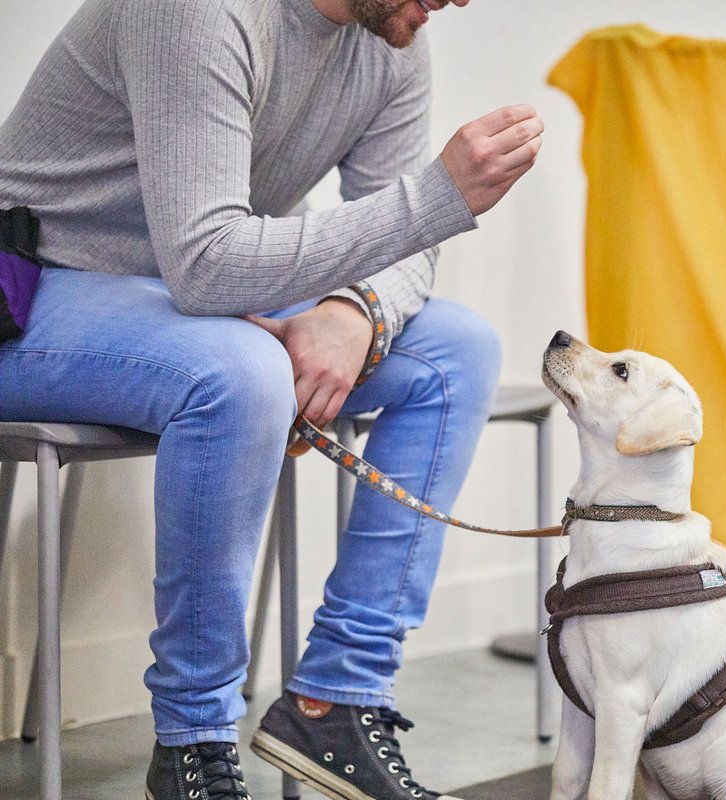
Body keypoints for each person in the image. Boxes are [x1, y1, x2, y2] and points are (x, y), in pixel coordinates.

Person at [0, 0, 543, 798]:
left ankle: (338, 698)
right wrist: (438, 198)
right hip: (32, 289)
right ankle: (195, 738)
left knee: (457, 352)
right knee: (242, 370)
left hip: (177, 297)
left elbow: (400, 254)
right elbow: (211, 267)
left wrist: (357, 311)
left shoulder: (390, 38)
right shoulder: (197, 11)